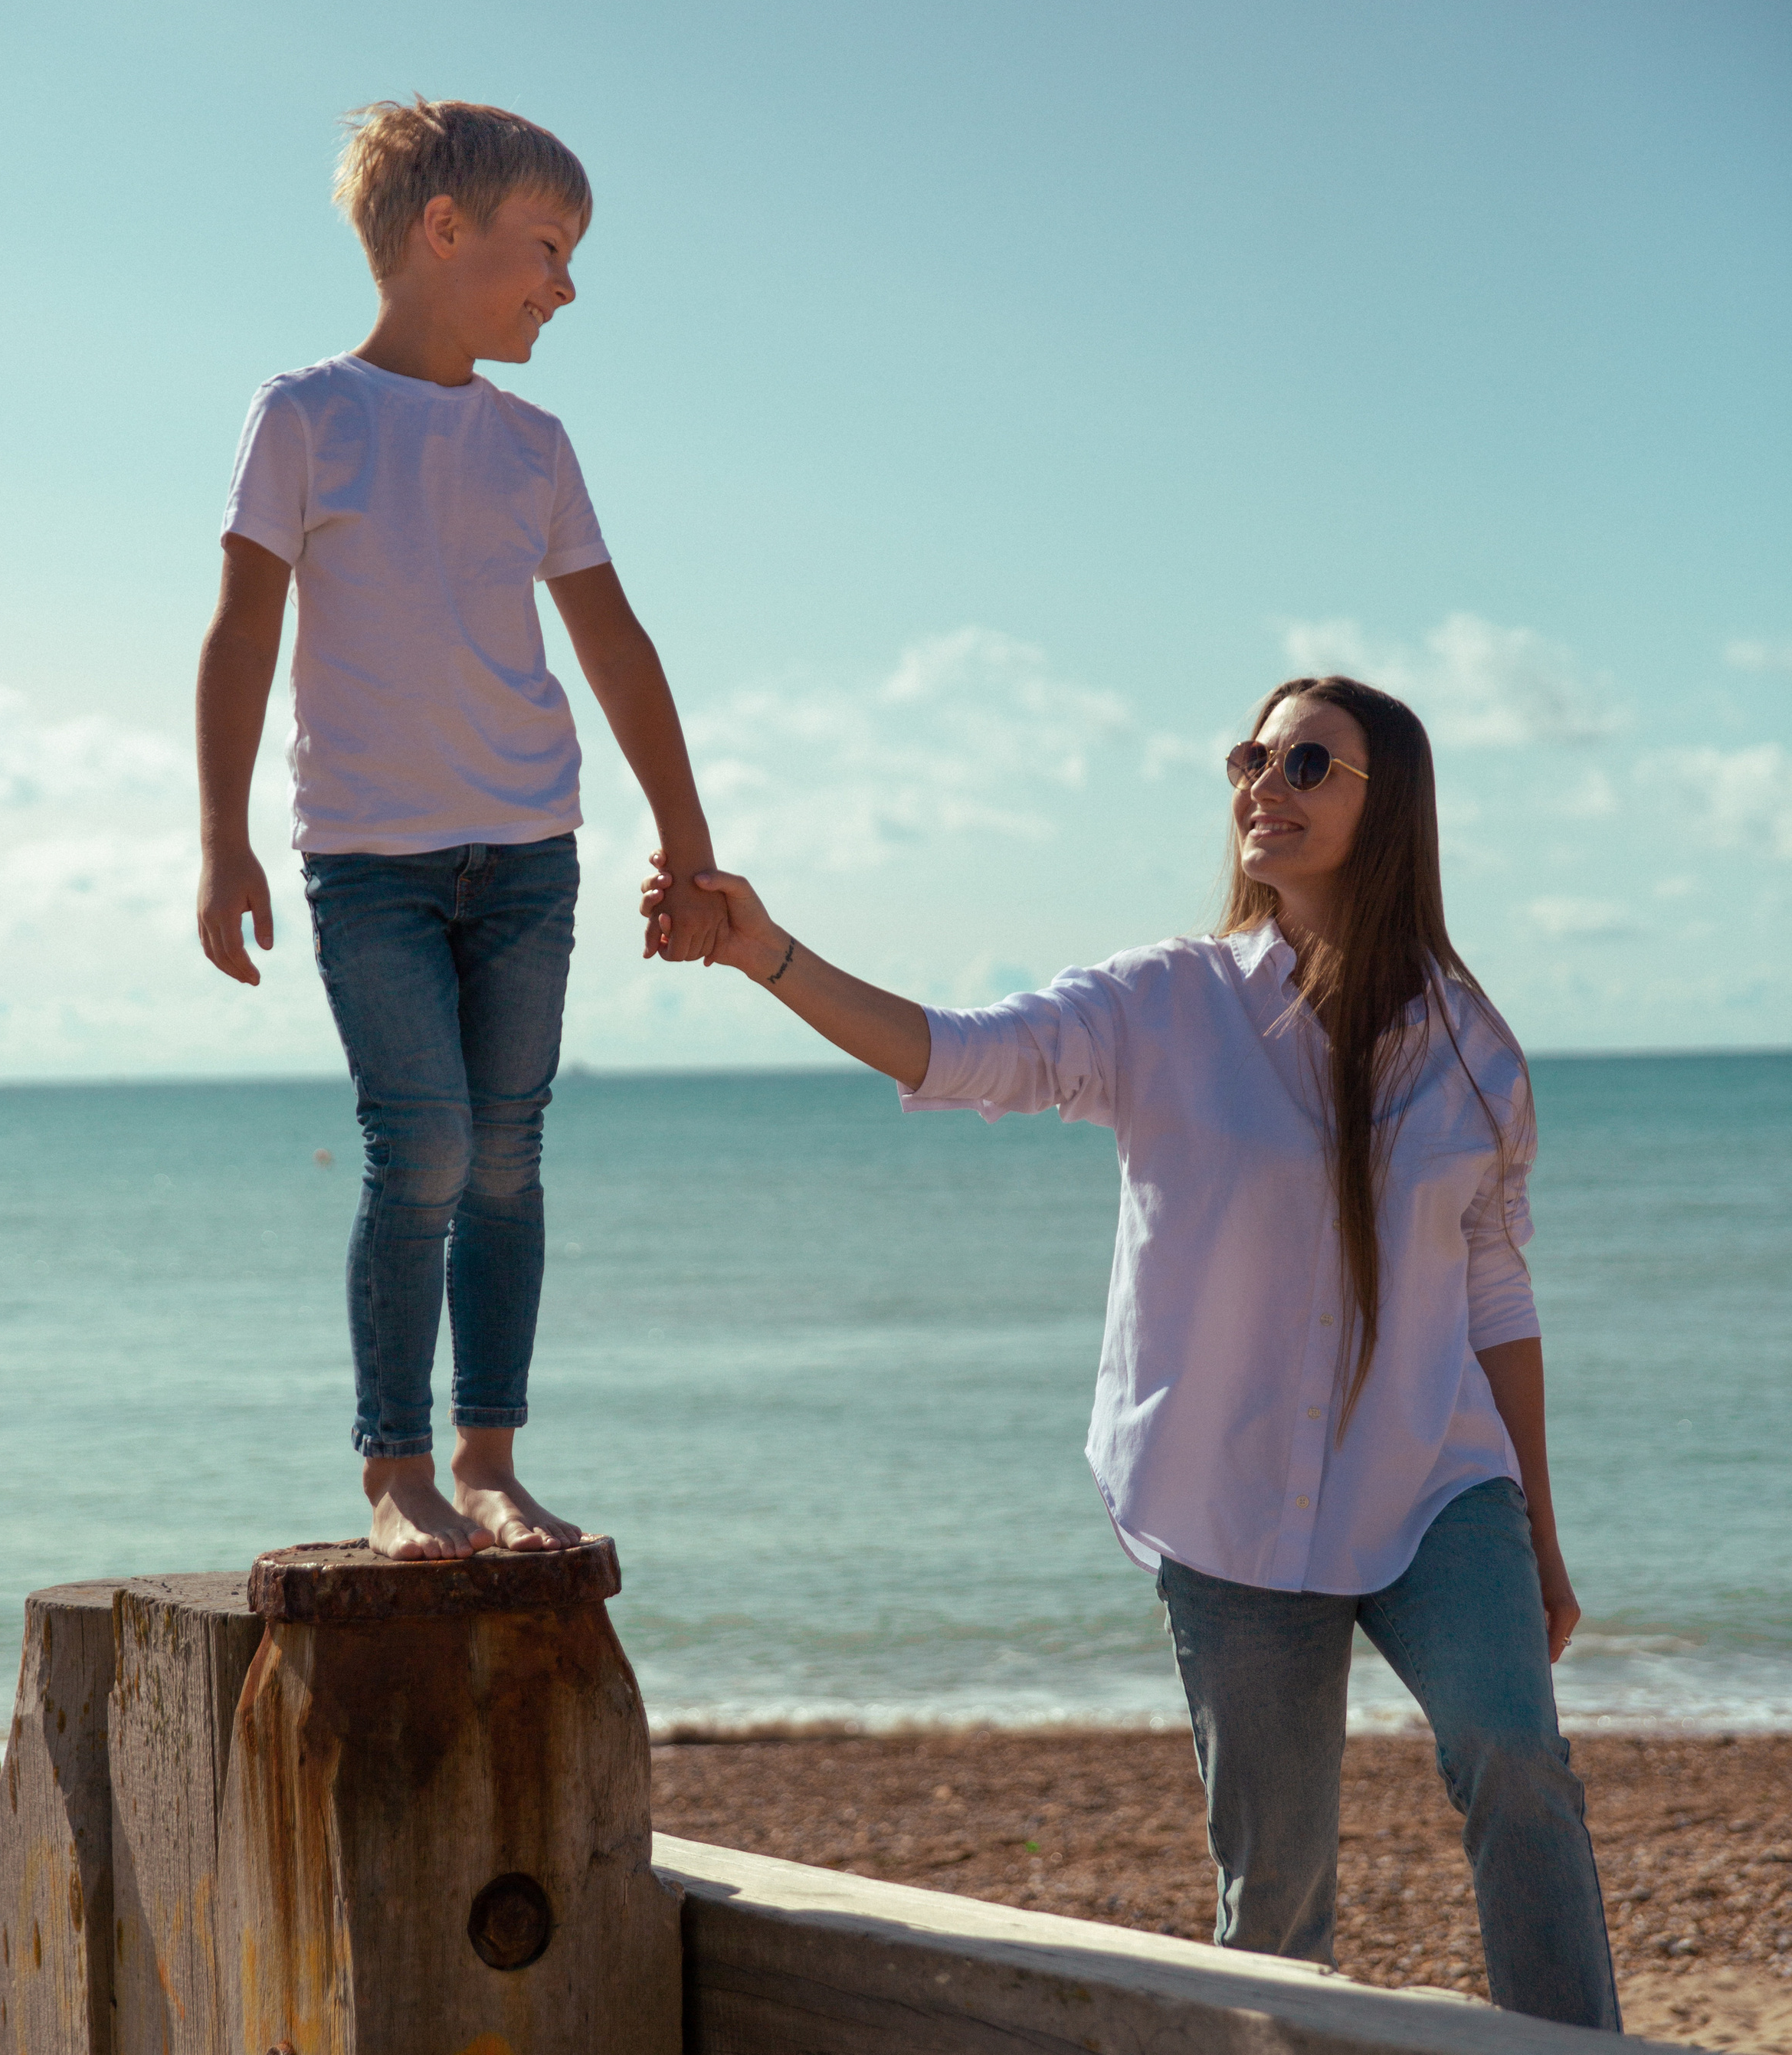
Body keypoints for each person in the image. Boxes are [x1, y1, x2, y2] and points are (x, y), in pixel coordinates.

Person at [645, 673, 1619, 2028]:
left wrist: (1545, 1540)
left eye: (1305, 764)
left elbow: (1496, 1294)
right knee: (1274, 1899)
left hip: (1432, 1482)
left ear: (1386, 803)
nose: (1259, 789)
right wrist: (771, 952)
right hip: (1230, 1511)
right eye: (1251, 759)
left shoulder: (1472, 1049)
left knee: (1517, 1756)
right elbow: (959, 1052)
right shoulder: (1167, 1003)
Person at [196, 97, 721, 1562]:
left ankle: (489, 1459)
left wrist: (686, 838)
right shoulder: (304, 415)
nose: (565, 285)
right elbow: (241, 634)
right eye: (546, 249)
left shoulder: (536, 444)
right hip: (366, 861)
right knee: (419, 1143)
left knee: (506, 1155)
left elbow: (616, 644)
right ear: (442, 232)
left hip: (528, 851)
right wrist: (222, 839)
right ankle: (395, 1472)